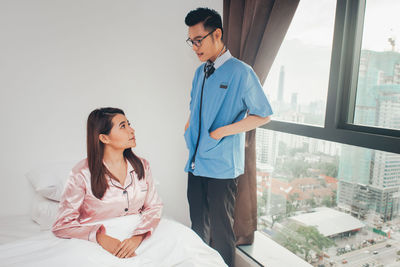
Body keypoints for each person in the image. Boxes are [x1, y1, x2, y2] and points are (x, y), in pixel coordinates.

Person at [184, 8, 273, 266]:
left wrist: (223, 131)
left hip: (222, 166)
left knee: (222, 231)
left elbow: (263, 115)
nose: (195, 47)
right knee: (198, 225)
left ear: (218, 34)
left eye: (199, 39)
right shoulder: (200, 72)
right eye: (192, 41)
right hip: (196, 161)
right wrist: (188, 127)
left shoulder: (241, 72)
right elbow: (194, 107)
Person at [52, 107, 163, 258]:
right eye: (123, 126)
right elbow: (62, 225)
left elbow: (154, 207)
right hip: (98, 242)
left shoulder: (142, 165)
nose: (132, 130)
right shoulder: (81, 173)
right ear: (104, 138)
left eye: (128, 124)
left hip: (139, 235)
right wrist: (101, 238)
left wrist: (138, 237)